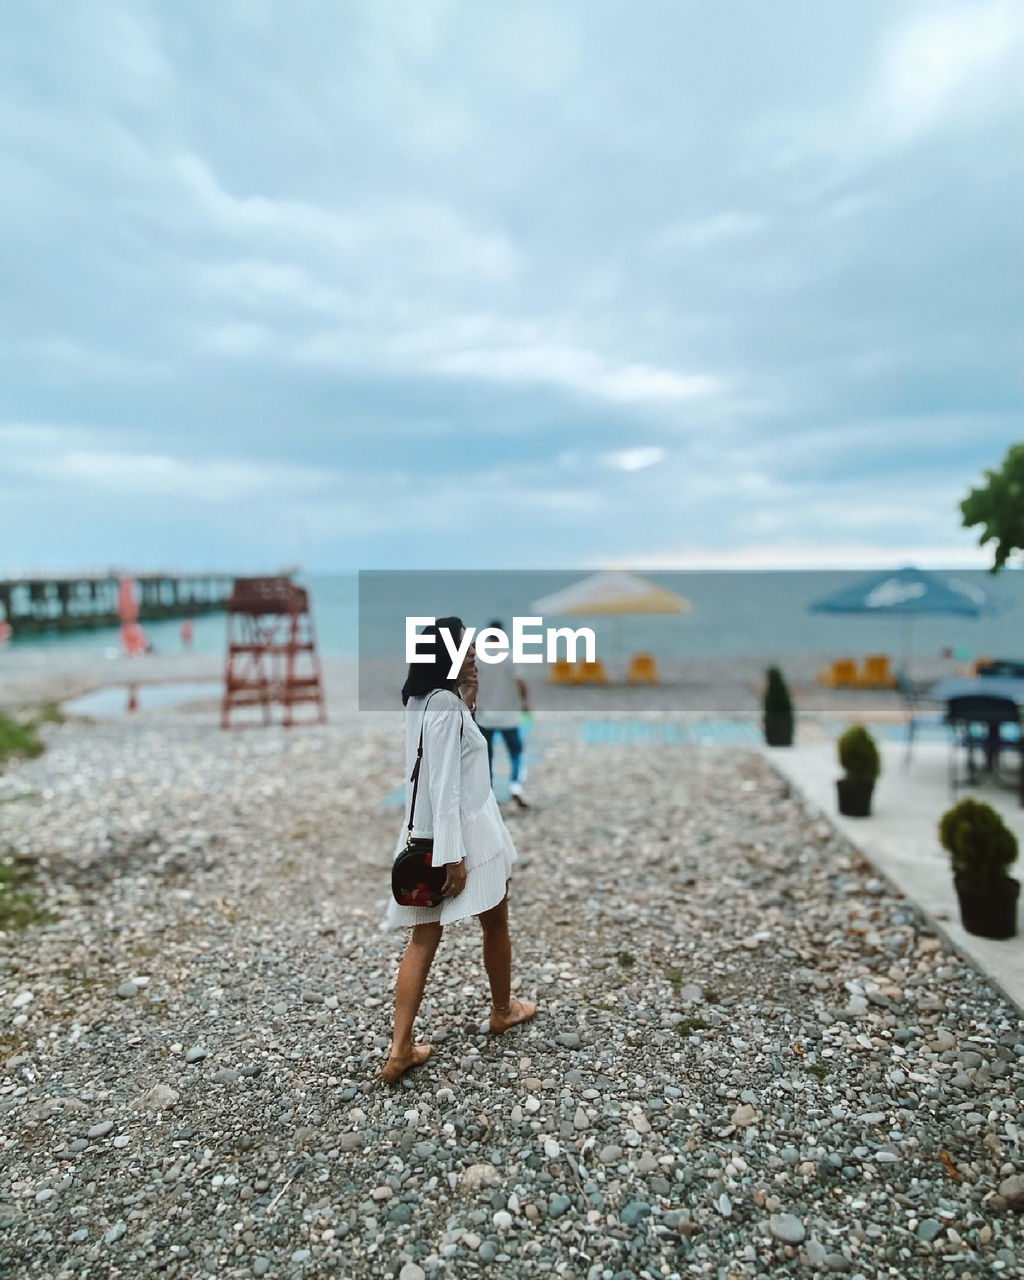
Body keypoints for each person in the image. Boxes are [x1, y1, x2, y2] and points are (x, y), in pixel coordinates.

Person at [383, 616, 537, 1084]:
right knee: (496, 919)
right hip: (465, 835)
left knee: (424, 938)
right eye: (466, 648)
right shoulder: (445, 705)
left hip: (421, 833)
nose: (474, 653)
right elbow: (446, 784)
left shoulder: (420, 701)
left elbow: (438, 765)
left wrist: (469, 700)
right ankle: (502, 1009)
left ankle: (400, 1048)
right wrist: (453, 856)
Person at [474, 619, 530, 807]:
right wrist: (525, 702)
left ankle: (488, 792)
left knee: (486, 756)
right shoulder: (511, 656)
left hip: (485, 715)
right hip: (509, 714)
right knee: (516, 752)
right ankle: (516, 786)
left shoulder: (479, 658)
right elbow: (520, 682)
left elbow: (472, 682)